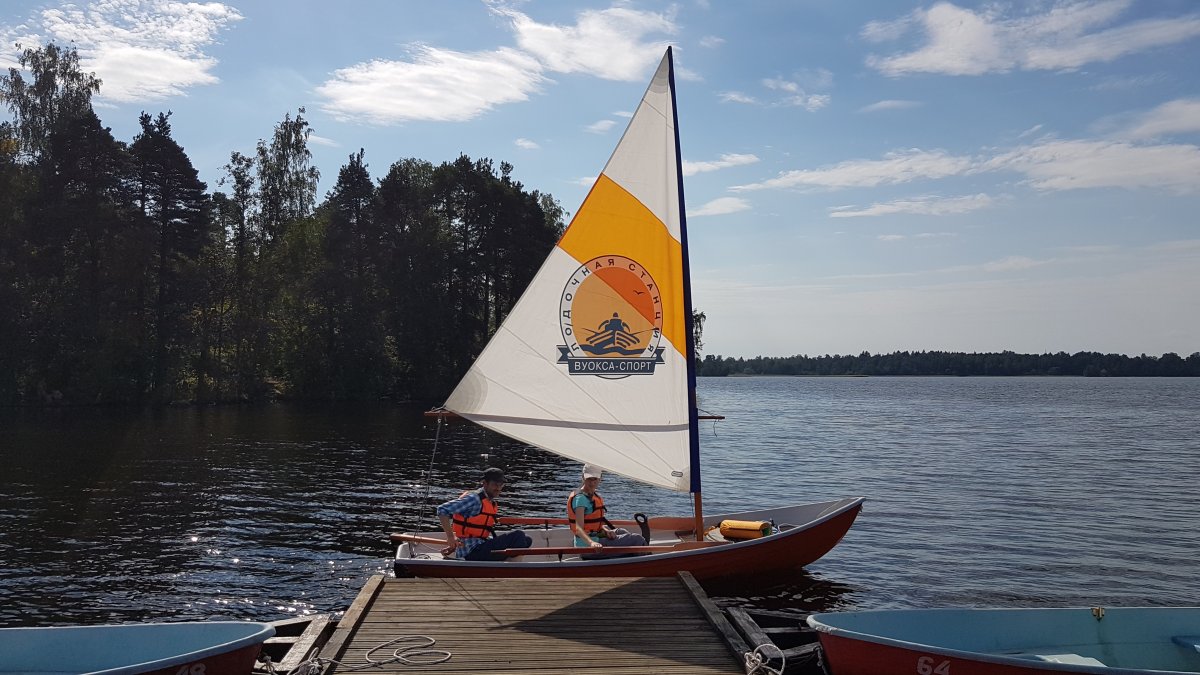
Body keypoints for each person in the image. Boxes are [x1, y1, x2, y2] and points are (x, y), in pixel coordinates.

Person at [436, 467, 532, 561]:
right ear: (485, 483)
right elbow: (442, 510)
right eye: (495, 484)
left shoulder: (489, 501)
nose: (498, 488)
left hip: (480, 546)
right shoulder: (474, 498)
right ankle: (510, 571)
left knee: (526, 540)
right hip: (472, 552)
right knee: (518, 536)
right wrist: (451, 537)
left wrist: (453, 546)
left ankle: (507, 569)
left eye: (501, 485)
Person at [568, 464, 646, 556]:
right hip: (588, 547)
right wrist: (592, 543)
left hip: (595, 536)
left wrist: (606, 531)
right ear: (583, 477)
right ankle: (641, 562)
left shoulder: (592, 496)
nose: (592, 482)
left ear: (600, 479)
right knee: (637, 539)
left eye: (595, 479)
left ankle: (629, 558)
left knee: (621, 531)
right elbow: (578, 529)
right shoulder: (580, 499)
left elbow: (593, 525)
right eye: (589, 478)